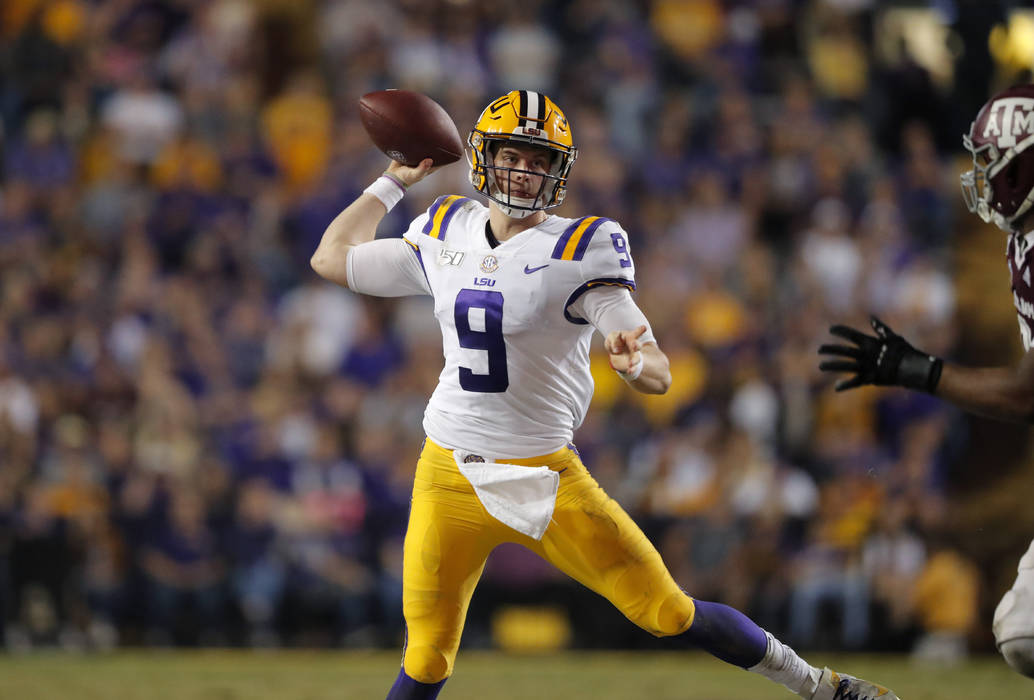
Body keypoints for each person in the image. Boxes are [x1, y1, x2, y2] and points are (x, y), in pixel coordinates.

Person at [313, 90, 900, 700]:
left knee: (667, 611)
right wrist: (391, 181)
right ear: (484, 158)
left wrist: (634, 361)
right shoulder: (444, 226)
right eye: (514, 154)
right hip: (447, 470)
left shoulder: (580, 248)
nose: (525, 171)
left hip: (545, 474)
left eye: (540, 161)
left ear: (559, 172)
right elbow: (331, 258)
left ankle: (822, 687)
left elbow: (658, 368)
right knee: (427, 655)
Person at [819, 83, 1034, 678]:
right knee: (1024, 633)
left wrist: (920, 371)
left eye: (992, 160)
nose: (981, 175)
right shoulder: (1023, 242)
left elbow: (1025, 395)